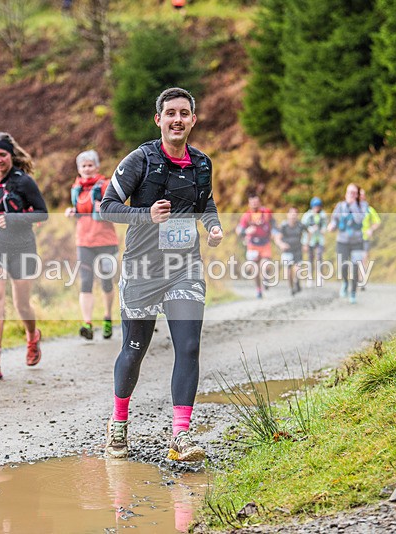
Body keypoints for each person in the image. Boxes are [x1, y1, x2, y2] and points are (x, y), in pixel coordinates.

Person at [100, 87, 223, 462]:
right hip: (141, 270)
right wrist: (146, 215)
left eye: (184, 113)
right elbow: (106, 207)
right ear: (159, 119)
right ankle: (119, 424)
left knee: (188, 346)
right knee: (135, 350)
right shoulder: (140, 159)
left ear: (193, 120)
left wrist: (213, 227)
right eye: (170, 113)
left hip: (183, 268)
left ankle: (181, 436)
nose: (177, 119)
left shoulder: (202, 164)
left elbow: (207, 204)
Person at [0, 132, 48, 379]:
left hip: (22, 248)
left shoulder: (23, 181)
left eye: (2, 154)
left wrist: (14, 218)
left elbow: (42, 213)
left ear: (10, 155)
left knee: (21, 304)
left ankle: (32, 337)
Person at [65, 150, 119, 340]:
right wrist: (72, 211)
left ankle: (107, 317)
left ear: (96, 167)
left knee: (106, 281)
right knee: (86, 281)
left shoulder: (105, 185)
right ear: (79, 169)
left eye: (90, 165)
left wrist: (105, 209)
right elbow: (81, 210)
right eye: (83, 166)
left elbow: (117, 208)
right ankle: (87, 323)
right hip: (84, 241)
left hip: (105, 240)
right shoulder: (76, 189)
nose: (87, 169)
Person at [327, 183, 368, 304]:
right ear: (345, 193)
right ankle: (345, 282)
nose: (350, 194)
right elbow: (334, 219)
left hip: (357, 242)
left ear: (357, 195)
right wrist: (332, 225)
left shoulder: (362, 206)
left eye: (353, 193)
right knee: (343, 265)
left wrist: (353, 205)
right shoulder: (340, 206)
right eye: (349, 192)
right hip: (342, 241)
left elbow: (359, 219)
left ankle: (353, 292)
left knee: (355, 267)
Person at [235, 193, 276, 298]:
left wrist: (275, 233)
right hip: (252, 245)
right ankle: (259, 290)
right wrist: (246, 231)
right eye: (252, 202)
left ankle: (266, 279)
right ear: (249, 203)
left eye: (256, 202)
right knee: (254, 269)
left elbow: (274, 224)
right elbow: (239, 230)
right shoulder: (247, 216)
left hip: (265, 243)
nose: (254, 204)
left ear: (259, 202)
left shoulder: (266, 213)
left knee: (265, 265)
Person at [274, 207, 308, 296]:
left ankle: (297, 283)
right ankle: (291, 287)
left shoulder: (300, 225)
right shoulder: (284, 226)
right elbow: (277, 238)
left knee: (297, 269)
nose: (293, 216)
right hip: (287, 250)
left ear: (297, 216)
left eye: (295, 214)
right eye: (291, 214)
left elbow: (308, 233)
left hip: (297, 249)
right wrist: (281, 244)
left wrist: (306, 244)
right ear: (287, 215)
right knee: (288, 271)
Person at [301, 197, 328, 286]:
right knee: (310, 258)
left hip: (319, 239)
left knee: (319, 257)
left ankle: (320, 276)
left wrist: (322, 230)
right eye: (315, 206)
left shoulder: (323, 215)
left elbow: (325, 226)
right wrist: (311, 229)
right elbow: (303, 227)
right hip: (310, 240)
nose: (317, 208)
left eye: (318, 206)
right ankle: (309, 277)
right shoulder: (307, 215)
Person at [358, 188, 381, 290]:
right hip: (354, 238)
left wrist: (371, 229)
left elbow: (377, 222)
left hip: (365, 238)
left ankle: (362, 280)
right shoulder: (352, 208)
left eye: (363, 195)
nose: (361, 196)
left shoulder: (369, 209)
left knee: (364, 258)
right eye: (360, 195)